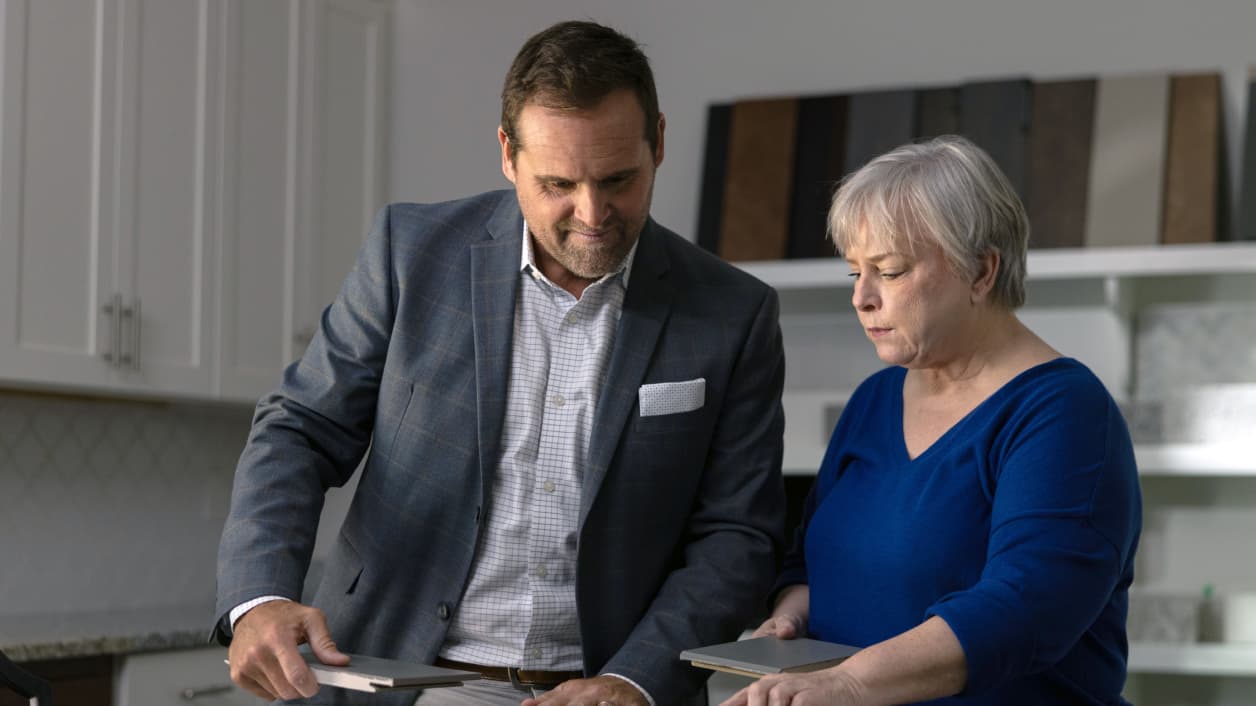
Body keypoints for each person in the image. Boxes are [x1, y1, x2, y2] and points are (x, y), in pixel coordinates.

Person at [214, 19, 787, 706]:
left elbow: (737, 535)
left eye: (617, 180)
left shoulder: (733, 313)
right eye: (557, 185)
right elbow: (299, 430)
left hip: (604, 691)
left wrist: (633, 681)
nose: (592, 213)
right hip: (402, 679)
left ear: (659, 142)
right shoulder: (412, 255)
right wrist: (260, 598)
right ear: (508, 156)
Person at [724, 136, 1141, 706]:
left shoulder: (1065, 414)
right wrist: (789, 618)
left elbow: (1024, 606)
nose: (862, 298)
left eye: (889, 271)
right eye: (855, 274)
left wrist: (846, 683)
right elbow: (807, 560)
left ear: (981, 272)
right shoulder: (874, 399)